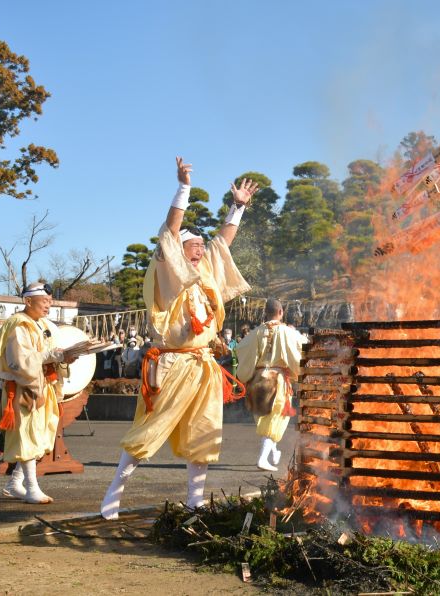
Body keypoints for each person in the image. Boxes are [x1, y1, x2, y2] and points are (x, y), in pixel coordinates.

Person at [100, 156, 255, 520]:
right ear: (177, 251)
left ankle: (195, 501)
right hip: (171, 363)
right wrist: (184, 187)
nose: (200, 248)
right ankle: (113, 493)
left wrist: (237, 209)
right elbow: (171, 231)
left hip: (203, 366)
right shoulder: (167, 270)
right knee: (148, 432)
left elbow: (222, 244)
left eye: (201, 245)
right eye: (193, 245)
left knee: (203, 435)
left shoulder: (206, 274)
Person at [0, 282, 74, 503]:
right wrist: (53, 356)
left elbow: (48, 355)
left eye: (50, 301)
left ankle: (14, 484)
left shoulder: (41, 324)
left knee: (39, 435)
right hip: (24, 387)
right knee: (27, 435)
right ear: (28, 301)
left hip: (43, 385)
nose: (48, 305)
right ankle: (31, 487)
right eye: (45, 301)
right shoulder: (19, 325)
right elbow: (21, 361)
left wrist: (64, 357)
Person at [236, 299, 306, 472]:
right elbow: (304, 345)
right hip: (276, 379)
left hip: (258, 379)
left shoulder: (257, 332)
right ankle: (262, 459)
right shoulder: (287, 332)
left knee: (268, 420)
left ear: (265, 313)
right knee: (275, 419)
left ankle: (274, 452)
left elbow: (240, 347)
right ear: (281, 312)